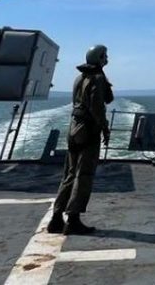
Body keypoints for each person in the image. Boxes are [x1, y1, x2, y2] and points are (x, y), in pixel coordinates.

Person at [47, 44, 114, 235]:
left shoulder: (79, 78)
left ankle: (56, 218)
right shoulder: (98, 78)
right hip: (88, 130)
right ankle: (73, 220)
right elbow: (98, 107)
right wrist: (104, 128)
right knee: (83, 175)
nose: (107, 59)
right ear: (99, 58)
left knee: (69, 174)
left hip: (73, 128)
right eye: (105, 56)